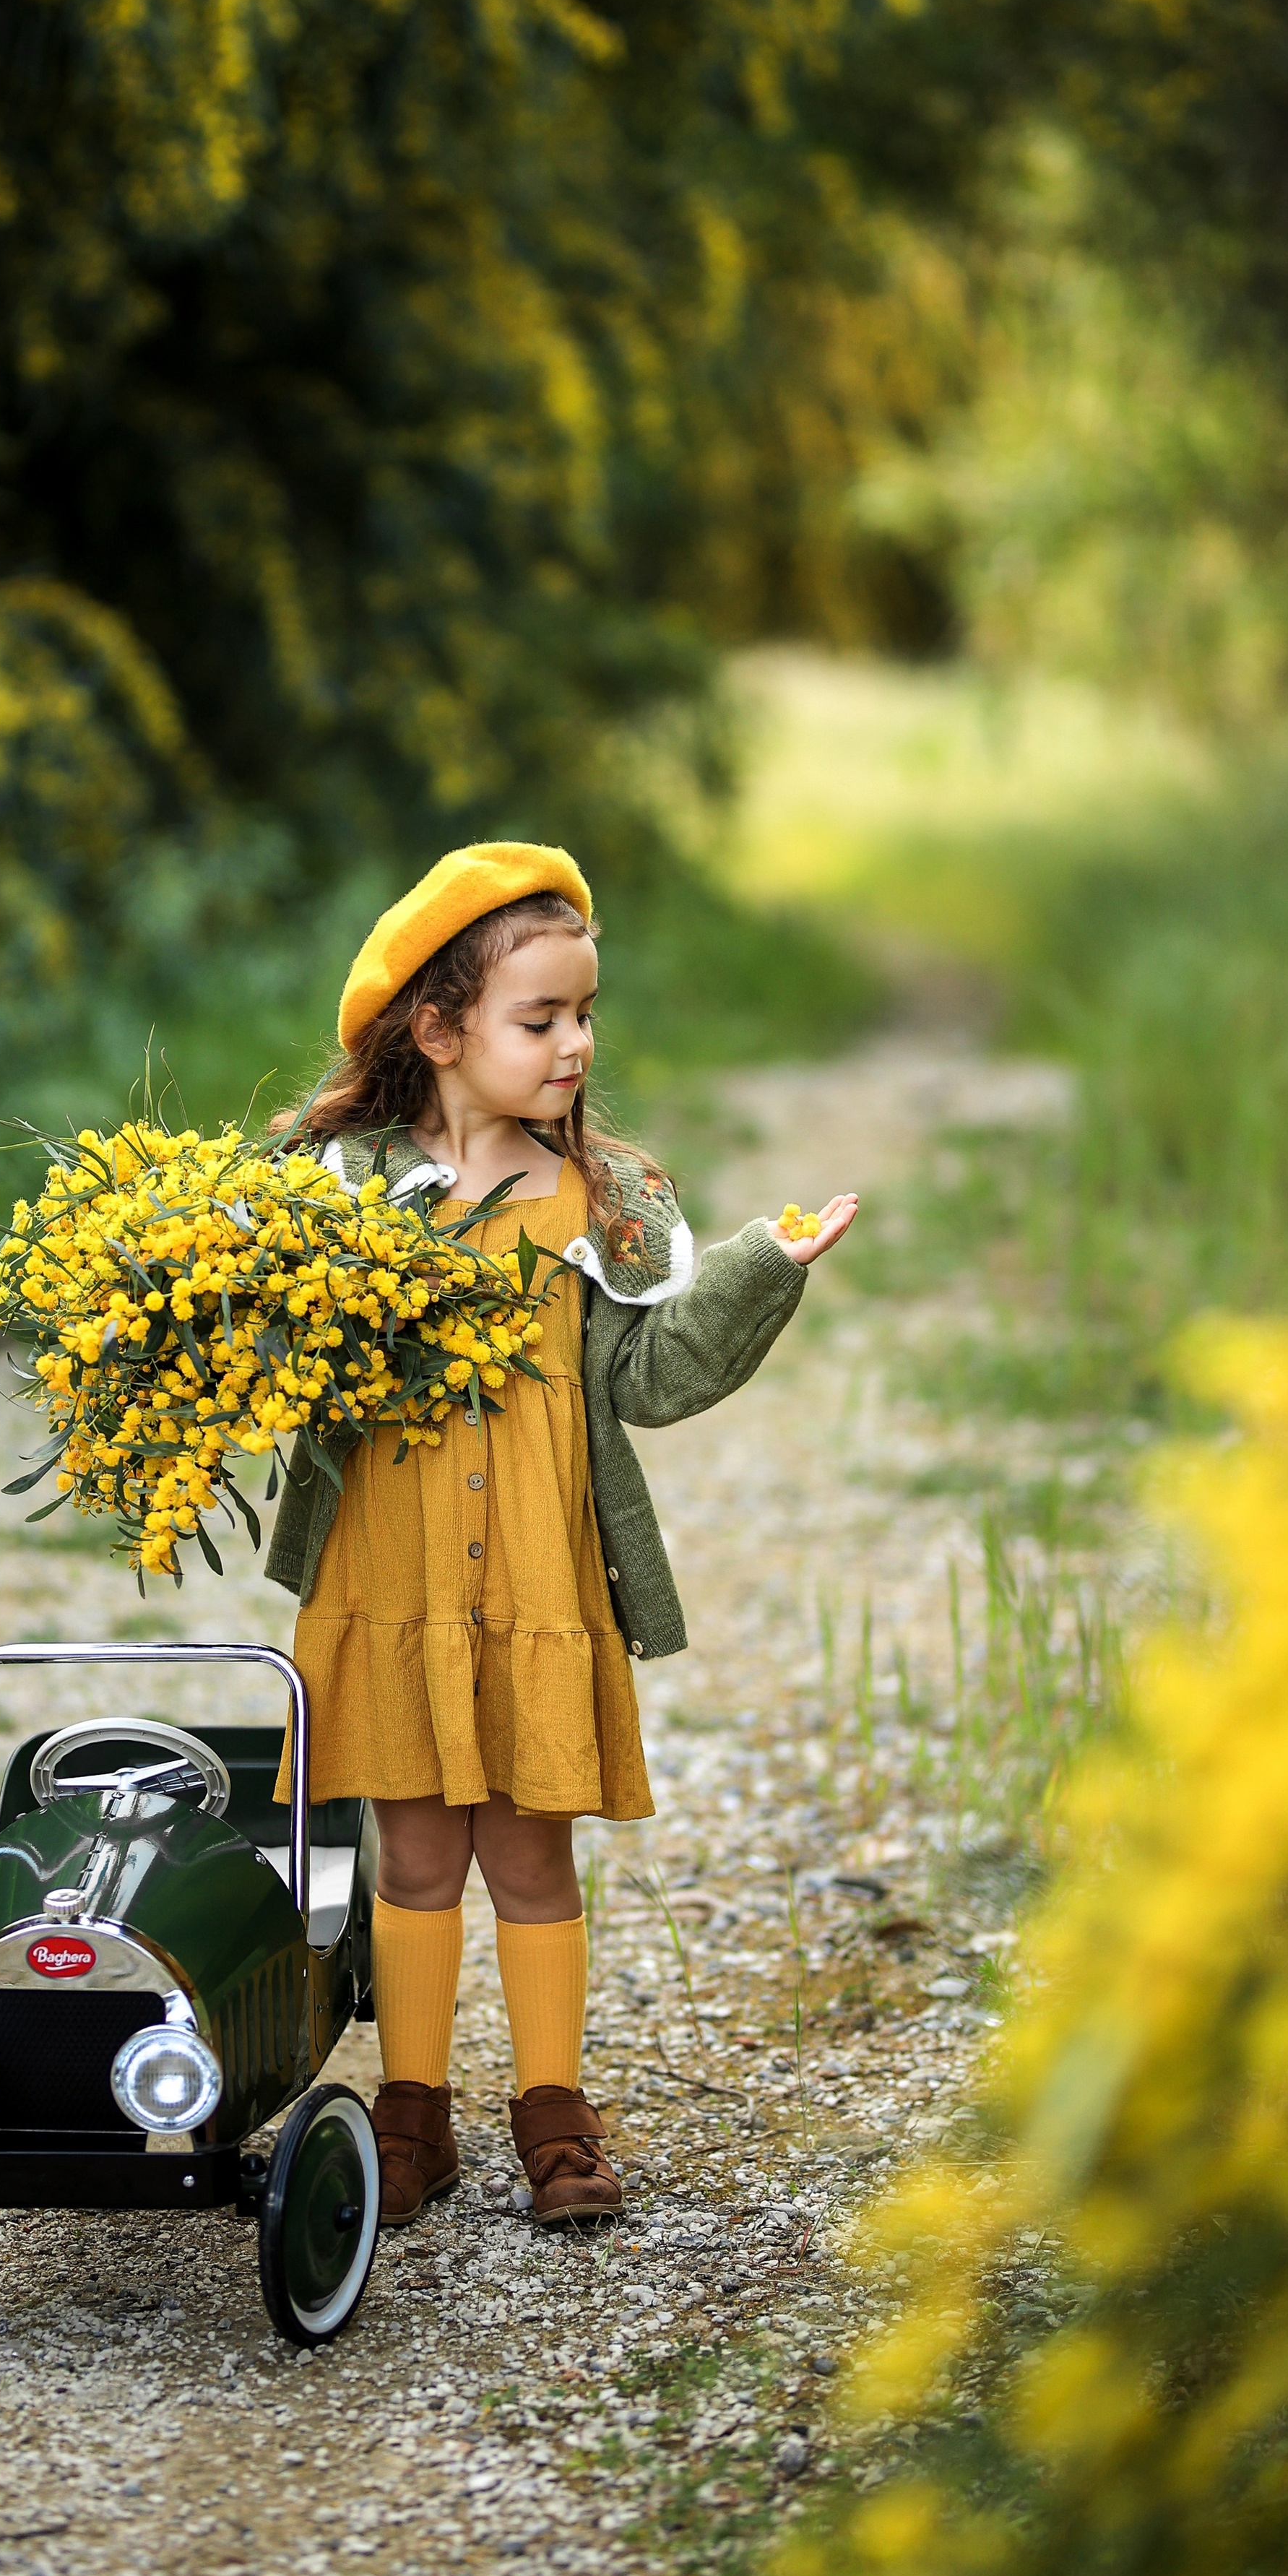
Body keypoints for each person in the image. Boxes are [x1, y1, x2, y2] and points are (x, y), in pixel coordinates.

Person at [264, 842, 857, 2226]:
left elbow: (652, 1382)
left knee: (529, 1852)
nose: (576, 1044)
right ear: (440, 1031)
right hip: (390, 1574)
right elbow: (271, 1349)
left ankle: (553, 2111)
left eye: (585, 1016)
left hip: (538, 1573)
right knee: (412, 1854)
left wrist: (763, 1269)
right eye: (542, 1020)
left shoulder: (607, 1200)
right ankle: (411, 2109)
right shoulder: (337, 1193)